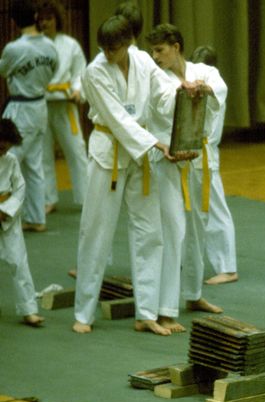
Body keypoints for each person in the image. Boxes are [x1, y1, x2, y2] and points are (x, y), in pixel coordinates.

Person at [72, 15, 192, 335]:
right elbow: (116, 119)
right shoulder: (94, 72)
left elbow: (163, 94)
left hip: (141, 156)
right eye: (105, 49)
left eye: (115, 48)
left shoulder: (141, 60)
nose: (109, 54)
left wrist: (184, 90)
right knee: (96, 232)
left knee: (150, 232)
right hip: (108, 153)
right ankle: (83, 313)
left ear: (127, 43)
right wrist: (154, 141)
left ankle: (146, 313)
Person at [145, 24, 226, 333]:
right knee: (173, 230)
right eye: (153, 51)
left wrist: (202, 89)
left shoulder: (203, 71)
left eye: (160, 50)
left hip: (198, 156)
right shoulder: (158, 79)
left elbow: (219, 92)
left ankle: (193, 294)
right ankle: (163, 306)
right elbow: (161, 108)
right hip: (170, 158)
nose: (156, 57)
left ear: (176, 47)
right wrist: (184, 90)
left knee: (198, 227)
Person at [0, 0, 58, 233]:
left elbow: (3, 70)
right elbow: (53, 70)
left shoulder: (14, 48)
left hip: (21, 108)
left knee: (5, 160)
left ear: (13, 22)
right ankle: (36, 217)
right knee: (34, 163)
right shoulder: (50, 46)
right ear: (35, 16)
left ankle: (4, 212)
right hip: (40, 105)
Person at [190, 45, 238, 286]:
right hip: (192, 153)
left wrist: (204, 85)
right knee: (194, 210)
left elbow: (217, 87)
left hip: (204, 153)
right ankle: (190, 259)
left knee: (214, 209)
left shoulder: (213, 82)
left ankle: (228, 267)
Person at [36, 0, 88, 214]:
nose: (46, 22)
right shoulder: (34, 44)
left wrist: (78, 90)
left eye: (50, 18)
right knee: (43, 154)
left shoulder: (70, 44)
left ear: (57, 19)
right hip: (40, 103)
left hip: (65, 103)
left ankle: (86, 199)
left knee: (76, 151)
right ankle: (49, 198)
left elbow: (80, 72)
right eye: (42, 19)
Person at [0, 118, 44, 327]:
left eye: (7, 146)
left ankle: (29, 310)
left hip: (7, 216)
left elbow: (20, 189)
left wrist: (5, 210)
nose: (4, 150)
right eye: (1, 146)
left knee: (18, 261)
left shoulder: (11, 161)